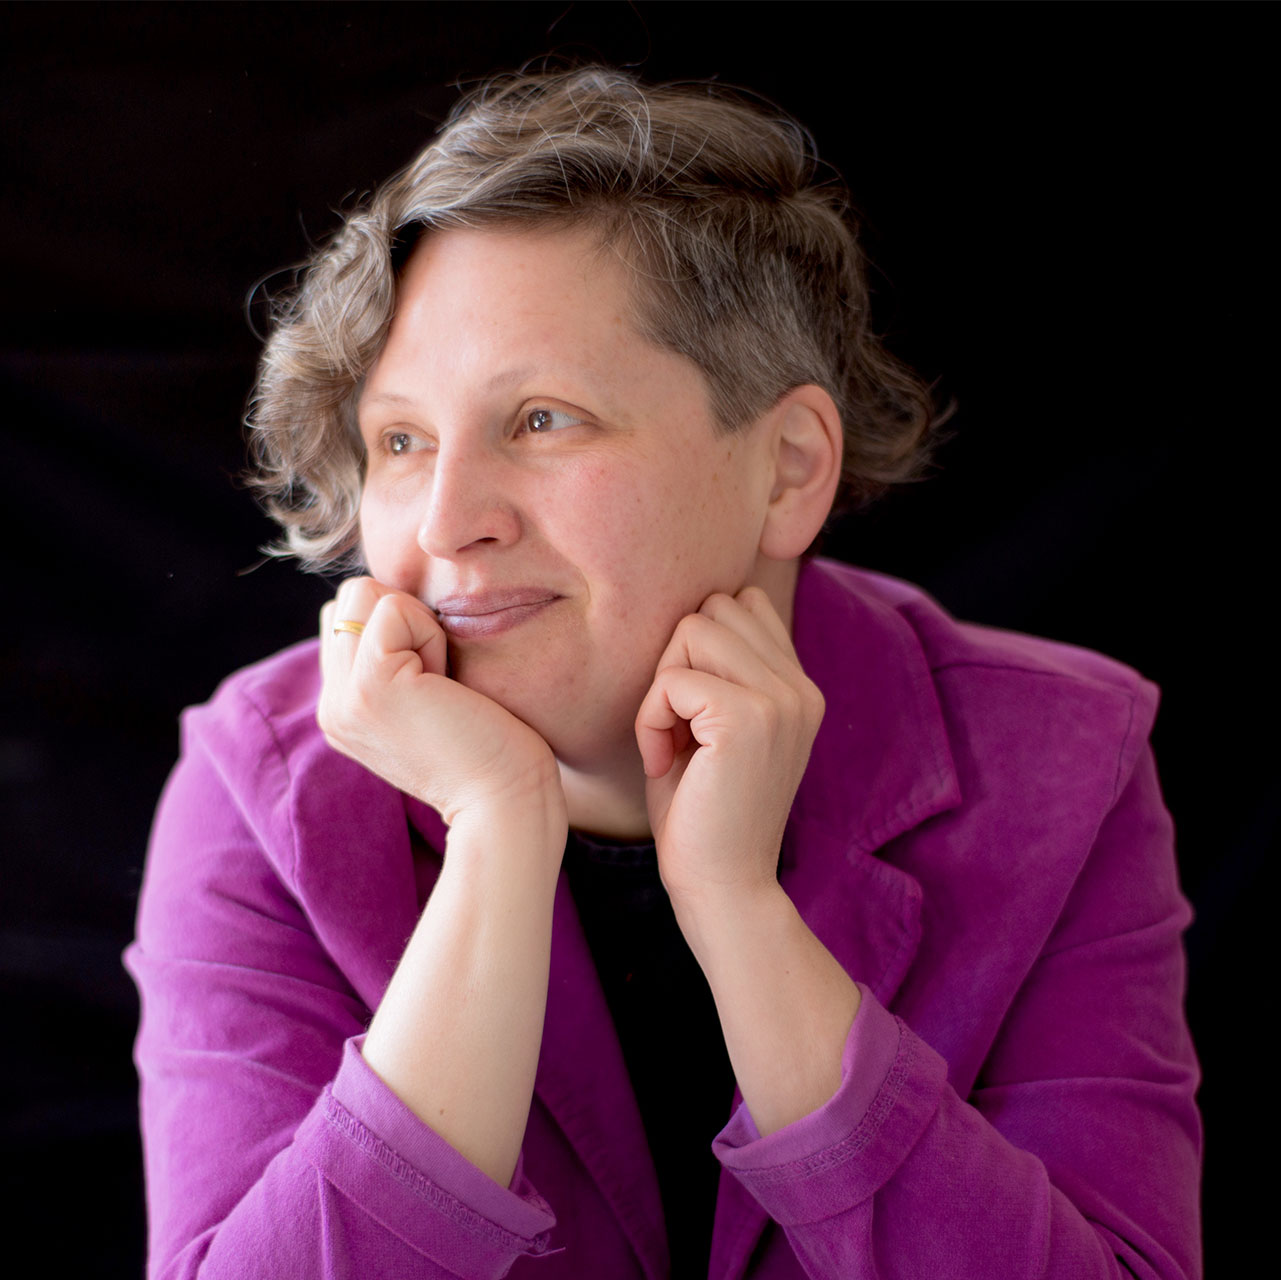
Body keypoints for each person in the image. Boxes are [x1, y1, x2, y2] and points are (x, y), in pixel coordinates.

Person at [125, 66, 1201, 1279]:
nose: (444, 521)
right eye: (402, 440)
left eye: (542, 419)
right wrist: (496, 830)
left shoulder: (1061, 761)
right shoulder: (261, 787)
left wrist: (741, 912)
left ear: (788, 466)